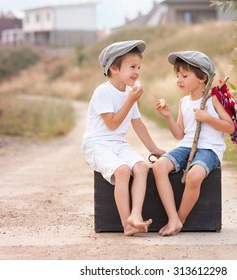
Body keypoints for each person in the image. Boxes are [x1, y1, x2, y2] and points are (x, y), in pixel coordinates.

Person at [82, 40, 165, 236]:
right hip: (97, 145)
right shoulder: (103, 92)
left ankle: (135, 215)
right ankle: (126, 224)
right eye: (132, 67)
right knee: (122, 171)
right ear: (114, 68)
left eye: (138, 67)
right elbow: (112, 123)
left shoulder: (129, 93)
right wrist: (130, 100)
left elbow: (138, 124)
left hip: (118, 144)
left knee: (142, 167)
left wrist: (154, 149)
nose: (136, 72)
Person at [152, 51, 235, 236]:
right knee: (158, 167)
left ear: (202, 77)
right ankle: (172, 217)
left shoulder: (213, 99)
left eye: (184, 75)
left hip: (209, 149)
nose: (179, 80)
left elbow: (230, 128)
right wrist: (168, 117)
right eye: (177, 76)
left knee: (194, 176)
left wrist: (207, 118)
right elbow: (180, 134)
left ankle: (179, 220)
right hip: (186, 146)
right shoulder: (183, 102)